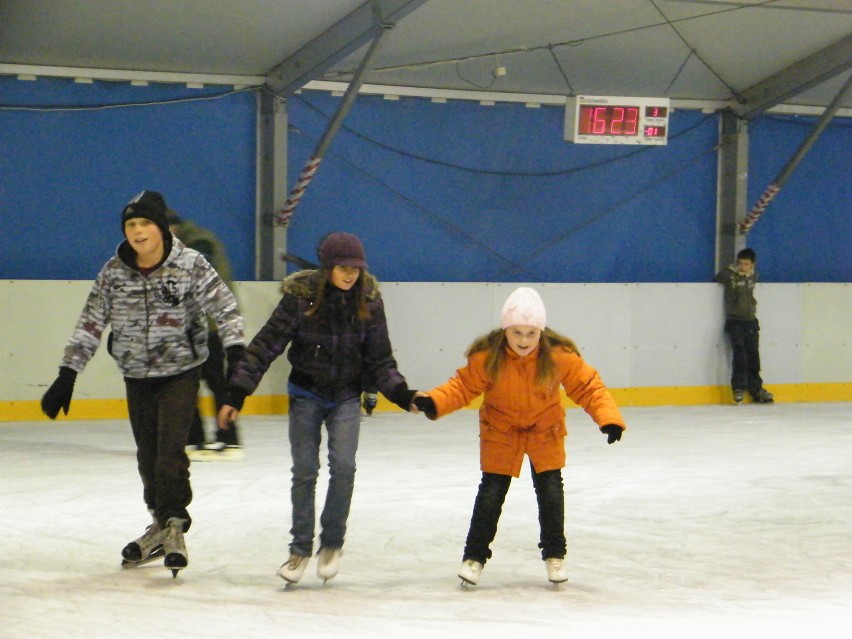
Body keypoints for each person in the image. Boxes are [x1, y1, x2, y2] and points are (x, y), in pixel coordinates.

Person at [40, 190, 245, 577]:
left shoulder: (189, 264)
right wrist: (68, 374)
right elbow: (90, 323)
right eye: (131, 225)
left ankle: (175, 522)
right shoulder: (114, 272)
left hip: (181, 371)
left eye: (145, 223)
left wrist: (235, 353)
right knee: (147, 457)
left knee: (170, 452)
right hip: (136, 374)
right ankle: (161, 524)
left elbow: (225, 306)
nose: (138, 231)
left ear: (161, 227)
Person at [218, 232, 418, 585]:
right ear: (327, 268)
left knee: (343, 466)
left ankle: (332, 544)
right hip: (306, 393)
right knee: (306, 470)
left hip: (345, 396)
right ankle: (299, 550)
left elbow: (380, 358)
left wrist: (402, 395)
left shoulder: (369, 301)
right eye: (343, 268)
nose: (350, 275)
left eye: (355, 269)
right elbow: (265, 346)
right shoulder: (301, 298)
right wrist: (236, 393)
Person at [412, 287, 626, 586]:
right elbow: (461, 387)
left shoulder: (558, 357)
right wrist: (434, 400)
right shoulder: (489, 357)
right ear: (505, 330)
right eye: (517, 333)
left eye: (530, 333)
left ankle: (555, 556)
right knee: (490, 495)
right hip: (501, 432)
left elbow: (589, 387)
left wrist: (609, 419)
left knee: (551, 494)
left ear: (541, 331)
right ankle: (474, 558)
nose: (523, 341)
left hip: (544, 431)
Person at [167, 208, 243, 460]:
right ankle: (199, 438)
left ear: (173, 226)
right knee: (192, 384)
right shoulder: (191, 242)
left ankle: (226, 437)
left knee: (212, 383)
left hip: (204, 326)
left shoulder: (199, 243)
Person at [714, 248, 774, 404]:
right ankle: (738, 387)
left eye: (746, 264)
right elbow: (719, 277)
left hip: (751, 321)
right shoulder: (731, 276)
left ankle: (756, 389)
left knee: (754, 357)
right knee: (740, 354)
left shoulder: (753, 276)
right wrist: (732, 271)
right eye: (740, 263)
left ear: (752, 265)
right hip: (735, 321)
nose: (743, 267)